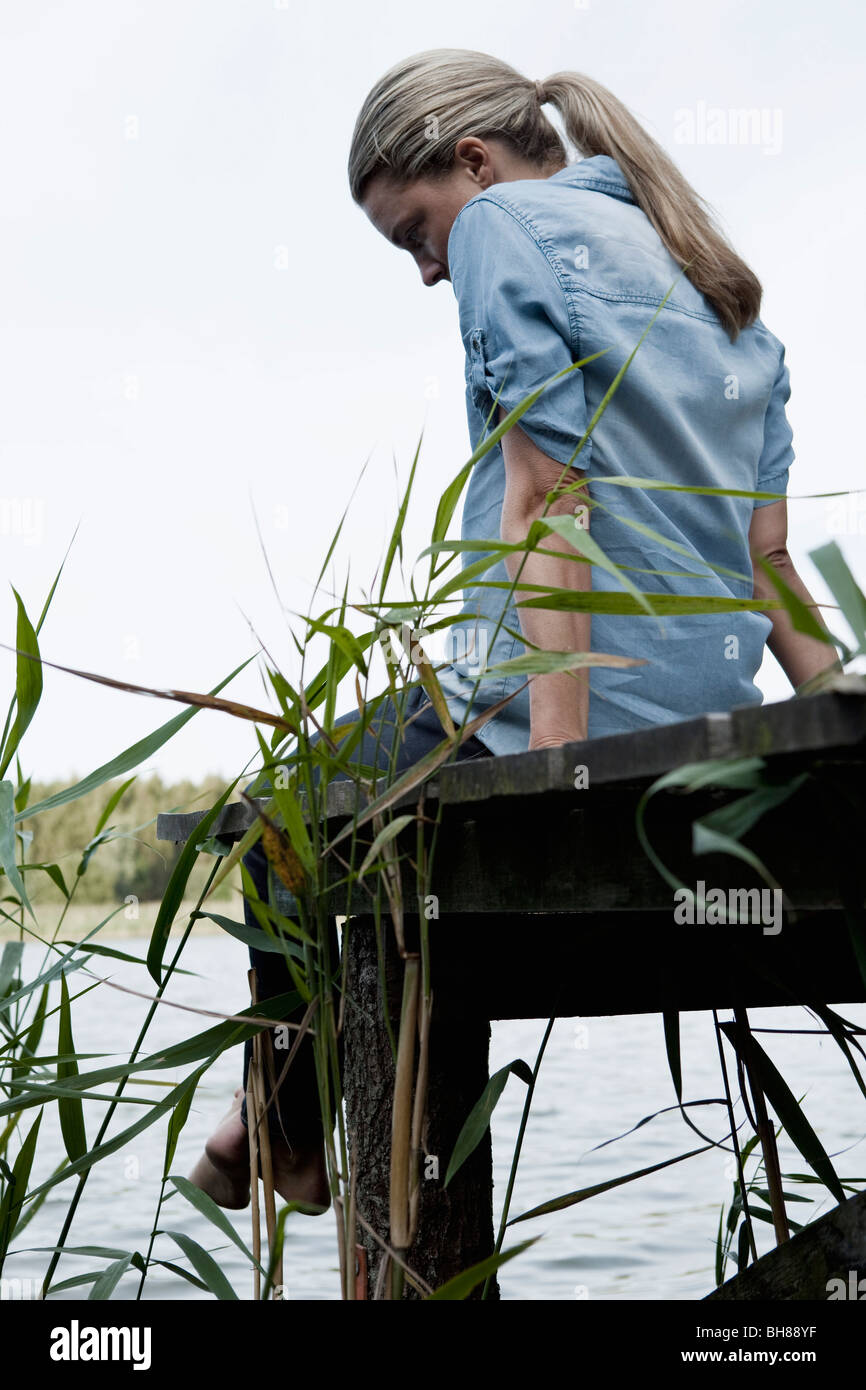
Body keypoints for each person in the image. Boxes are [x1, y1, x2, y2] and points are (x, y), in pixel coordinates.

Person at [190, 48, 840, 1209]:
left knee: (281, 809)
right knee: (333, 815)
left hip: (539, 712)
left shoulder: (503, 226)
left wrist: (551, 764)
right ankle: (263, 1113)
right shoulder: (712, 276)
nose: (428, 268)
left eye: (414, 232)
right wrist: (839, 714)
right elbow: (770, 560)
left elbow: (551, 498)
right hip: (700, 714)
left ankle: (278, 1120)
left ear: (473, 161)